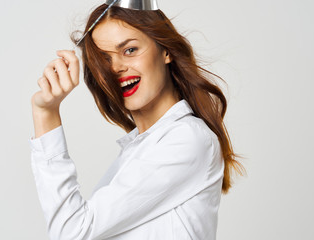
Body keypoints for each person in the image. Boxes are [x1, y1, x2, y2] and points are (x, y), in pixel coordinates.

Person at [29, 1, 244, 239]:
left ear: (166, 50)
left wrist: (45, 113)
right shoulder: (137, 151)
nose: (117, 68)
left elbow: (72, 231)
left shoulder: (187, 139)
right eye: (105, 59)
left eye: (130, 50)